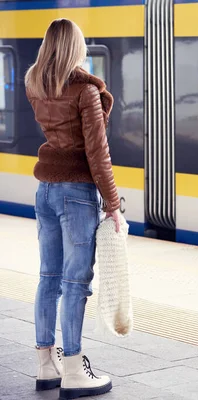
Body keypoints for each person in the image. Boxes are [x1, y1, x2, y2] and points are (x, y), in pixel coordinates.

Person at [26, 18, 121, 399]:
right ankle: (74, 369)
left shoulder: (36, 82)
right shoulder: (85, 91)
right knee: (76, 283)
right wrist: (113, 204)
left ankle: (45, 364)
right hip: (76, 192)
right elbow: (98, 154)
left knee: (48, 278)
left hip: (44, 189)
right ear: (76, 47)